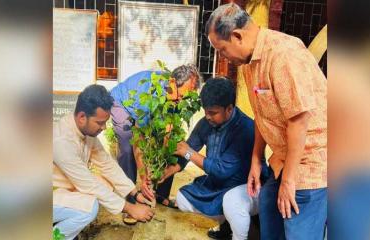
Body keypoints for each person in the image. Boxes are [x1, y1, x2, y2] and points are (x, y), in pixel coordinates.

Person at [206, 3, 327, 240]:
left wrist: (289, 181)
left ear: (237, 36)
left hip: (311, 163)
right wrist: (255, 161)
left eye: (221, 49)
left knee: (294, 220)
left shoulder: (284, 54)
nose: (223, 58)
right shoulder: (249, 63)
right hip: (284, 159)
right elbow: (263, 115)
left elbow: (299, 120)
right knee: (269, 207)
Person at [53, 85, 154, 240]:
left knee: (106, 184)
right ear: (82, 117)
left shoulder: (86, 131)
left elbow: (107, 164)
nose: (104, 127)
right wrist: (129, 208)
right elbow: (88, 183)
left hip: (62, 189)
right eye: (100, 122)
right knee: (89, 208)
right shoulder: (61, 141)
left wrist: (134, 193)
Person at [170, 77, 265, 240]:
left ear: (229, 109)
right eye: (205, 111)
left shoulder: (245, 129)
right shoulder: (207, 122)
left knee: (232, 202)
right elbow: (189, 146)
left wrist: (189, 153)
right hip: (220, 185)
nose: (207, 116)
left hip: (247, 187)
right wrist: (171, 170)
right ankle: (226, 224)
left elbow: (220, 170)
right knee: (182, 198)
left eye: (212, 112)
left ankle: (241, 235)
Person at [109, 64, 201, 207]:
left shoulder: (176, 97)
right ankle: (129, 196)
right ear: (171, 82)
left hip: (142, 108)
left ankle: (160, 194)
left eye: (184, 98)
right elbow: (138, 137)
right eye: (180, 96)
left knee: (173, 145)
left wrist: (163, 156)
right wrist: (143, 175)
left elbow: (168, 130)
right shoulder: (151, 93)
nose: (180, 101)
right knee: (127, 146)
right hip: (123, 103)